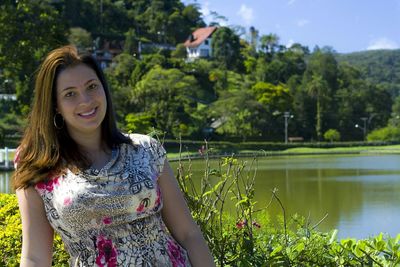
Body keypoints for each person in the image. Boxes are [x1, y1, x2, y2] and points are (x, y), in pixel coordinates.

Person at [13, 45, 215, 267]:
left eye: (92, 86)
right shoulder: (37, 165)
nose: (86, 100)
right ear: (55, 106)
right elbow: (35, 257)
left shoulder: (146, 150)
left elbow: (188, 234)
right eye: (70, 93)